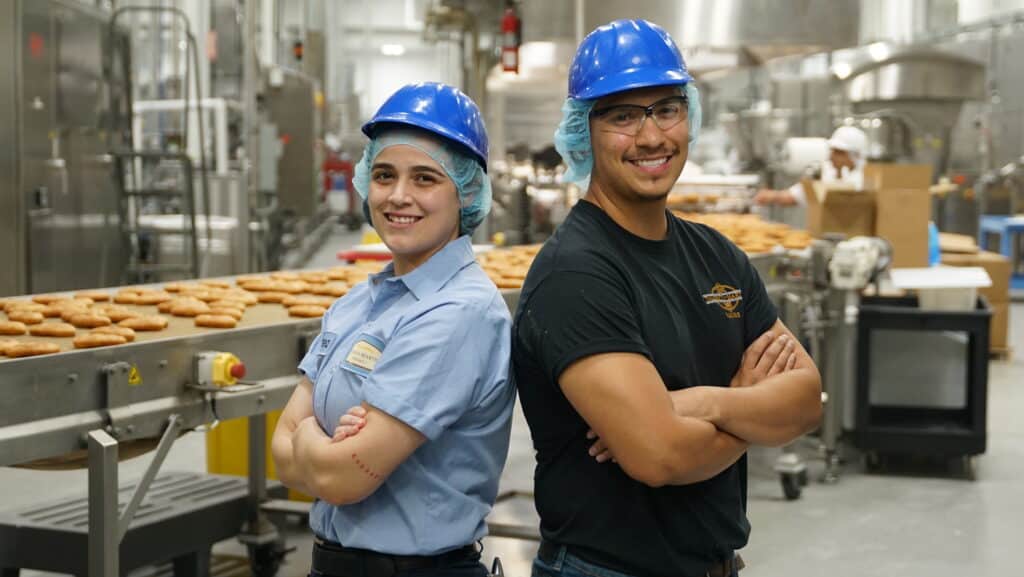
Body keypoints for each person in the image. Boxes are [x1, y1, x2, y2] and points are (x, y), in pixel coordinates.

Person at [511, 19, 822, 577]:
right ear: (584, 130)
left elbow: (804, 401)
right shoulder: (576, 274)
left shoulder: (717, 255)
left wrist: (704, 403)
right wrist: (749, 407)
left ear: (690, 116)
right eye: (623, 116)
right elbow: (659, 456)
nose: (651, 137)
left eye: (666, 109)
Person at [271, 82, 514, 577]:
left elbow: (340, 479)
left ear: (465, 191)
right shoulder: (359, 303)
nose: (398, 196)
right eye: (384, 175)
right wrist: (321, 446)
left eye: (425, 178)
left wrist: (307, 438)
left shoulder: (461, 313)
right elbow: (280, 455)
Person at [754, 125, 869, 206]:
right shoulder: (828, 172)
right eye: (831, 151)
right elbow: (797, 195)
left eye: (838, 153)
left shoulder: (866, 180)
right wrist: (772, 196)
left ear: (855, 156)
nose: (831, 157)